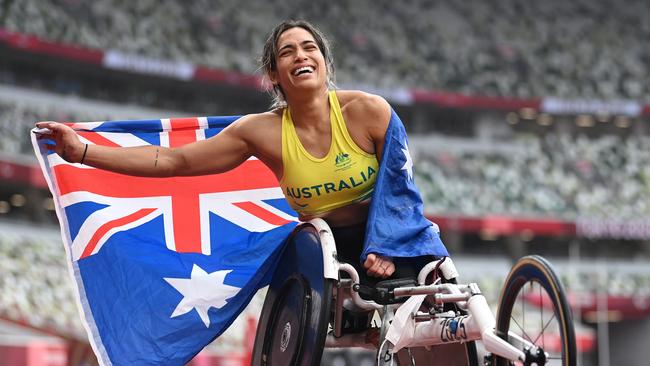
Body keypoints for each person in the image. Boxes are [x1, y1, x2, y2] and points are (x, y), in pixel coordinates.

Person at [37, 20, 432, 282]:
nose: (301, 56)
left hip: (392, 236)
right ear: (274, 75)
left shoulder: (368, 111)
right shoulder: (259, 132)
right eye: (288, 51)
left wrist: (385, 244)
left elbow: (401, 190)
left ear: (325, 65)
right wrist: (84, 152)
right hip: (328, 250)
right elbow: (174, 161)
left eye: (310, 47)